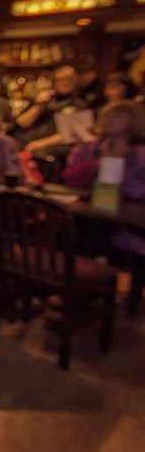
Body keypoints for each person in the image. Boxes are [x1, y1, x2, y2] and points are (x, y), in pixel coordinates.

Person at [61, 101, 145, 317]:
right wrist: (100, 163)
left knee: (98, 232)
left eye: (118, 117)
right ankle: (83, 292)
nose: (109, 121)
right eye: (107, 116)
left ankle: (95, 293)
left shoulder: (141, 154)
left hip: (132, 221)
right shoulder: (89, 149)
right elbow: (70, 178)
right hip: (95, 214)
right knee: (75, 229)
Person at [14, 65, 86, 146]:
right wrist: (39, 106)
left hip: (49, 151)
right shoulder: (45, 98)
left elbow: (70, 134)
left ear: (76, 81)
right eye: (60, 79)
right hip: (23, 143)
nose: (65, 82)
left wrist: (37, 144)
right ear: (54, 82)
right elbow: (21, 123)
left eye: (69, 79)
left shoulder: (79, 104)